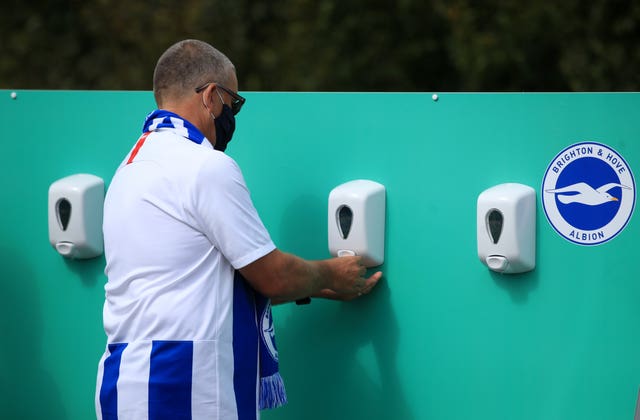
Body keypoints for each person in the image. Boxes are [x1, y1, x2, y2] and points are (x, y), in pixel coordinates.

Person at [94, 39, 382, 420]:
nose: (234, 115)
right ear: (212, 97)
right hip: (184, 386)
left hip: (125, 384)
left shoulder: (129, 170)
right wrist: (334, 273)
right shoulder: (204, 167)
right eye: (235, 103)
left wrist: (318, 287)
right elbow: (273, 277)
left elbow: (197, 282)